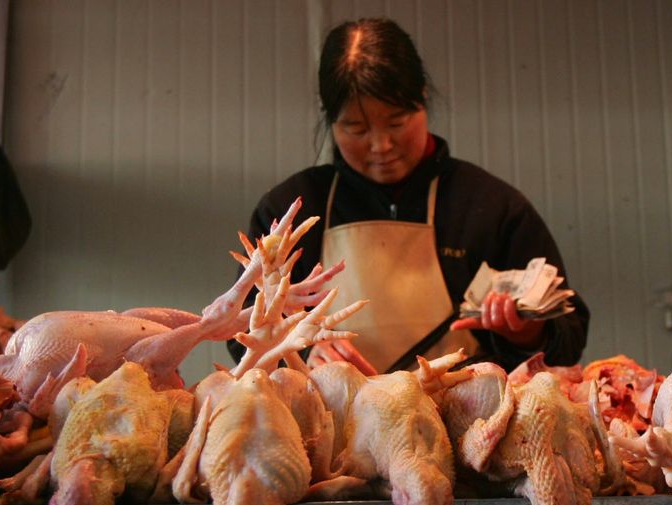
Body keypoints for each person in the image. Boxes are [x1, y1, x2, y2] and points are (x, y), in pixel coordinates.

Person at [229, 17, 589, 375]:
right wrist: (299, 351)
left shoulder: (491, 207)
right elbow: (240, 331)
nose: (380, 145)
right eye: (356, 128)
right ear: (330, 120)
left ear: (423, 98)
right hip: (332, 425)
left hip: (463, 424)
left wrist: (527, 332)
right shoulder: (290, 210)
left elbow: (570, 335)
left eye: (397, 122)